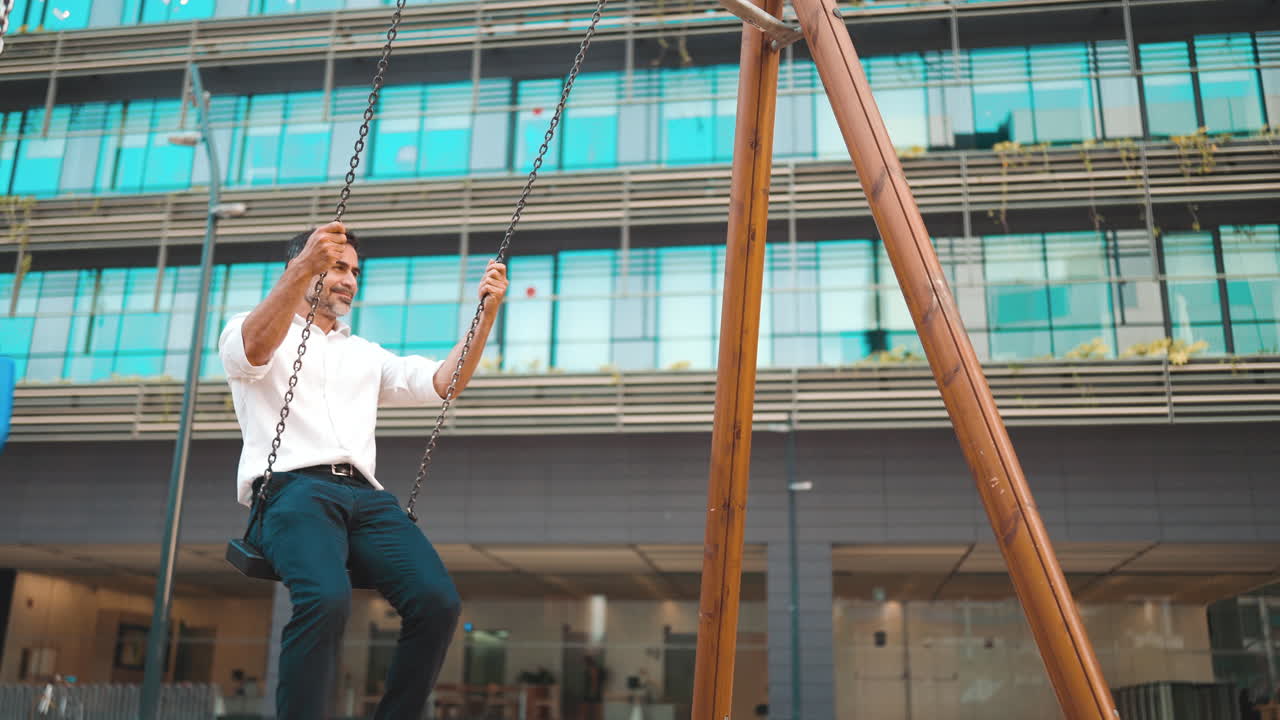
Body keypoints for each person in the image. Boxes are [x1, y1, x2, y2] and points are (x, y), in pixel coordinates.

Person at [218, 221, 508, 720]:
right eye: (336, 267)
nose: (349, 279)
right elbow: (253, 352)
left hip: (366, 499)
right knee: (327, 601)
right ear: (300, 267)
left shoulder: (364, 354)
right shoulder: (252, 326)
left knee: (437, 602)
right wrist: (304, 268)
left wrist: (485, 316)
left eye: (354, 271)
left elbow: (443, 383)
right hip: (293, 490)